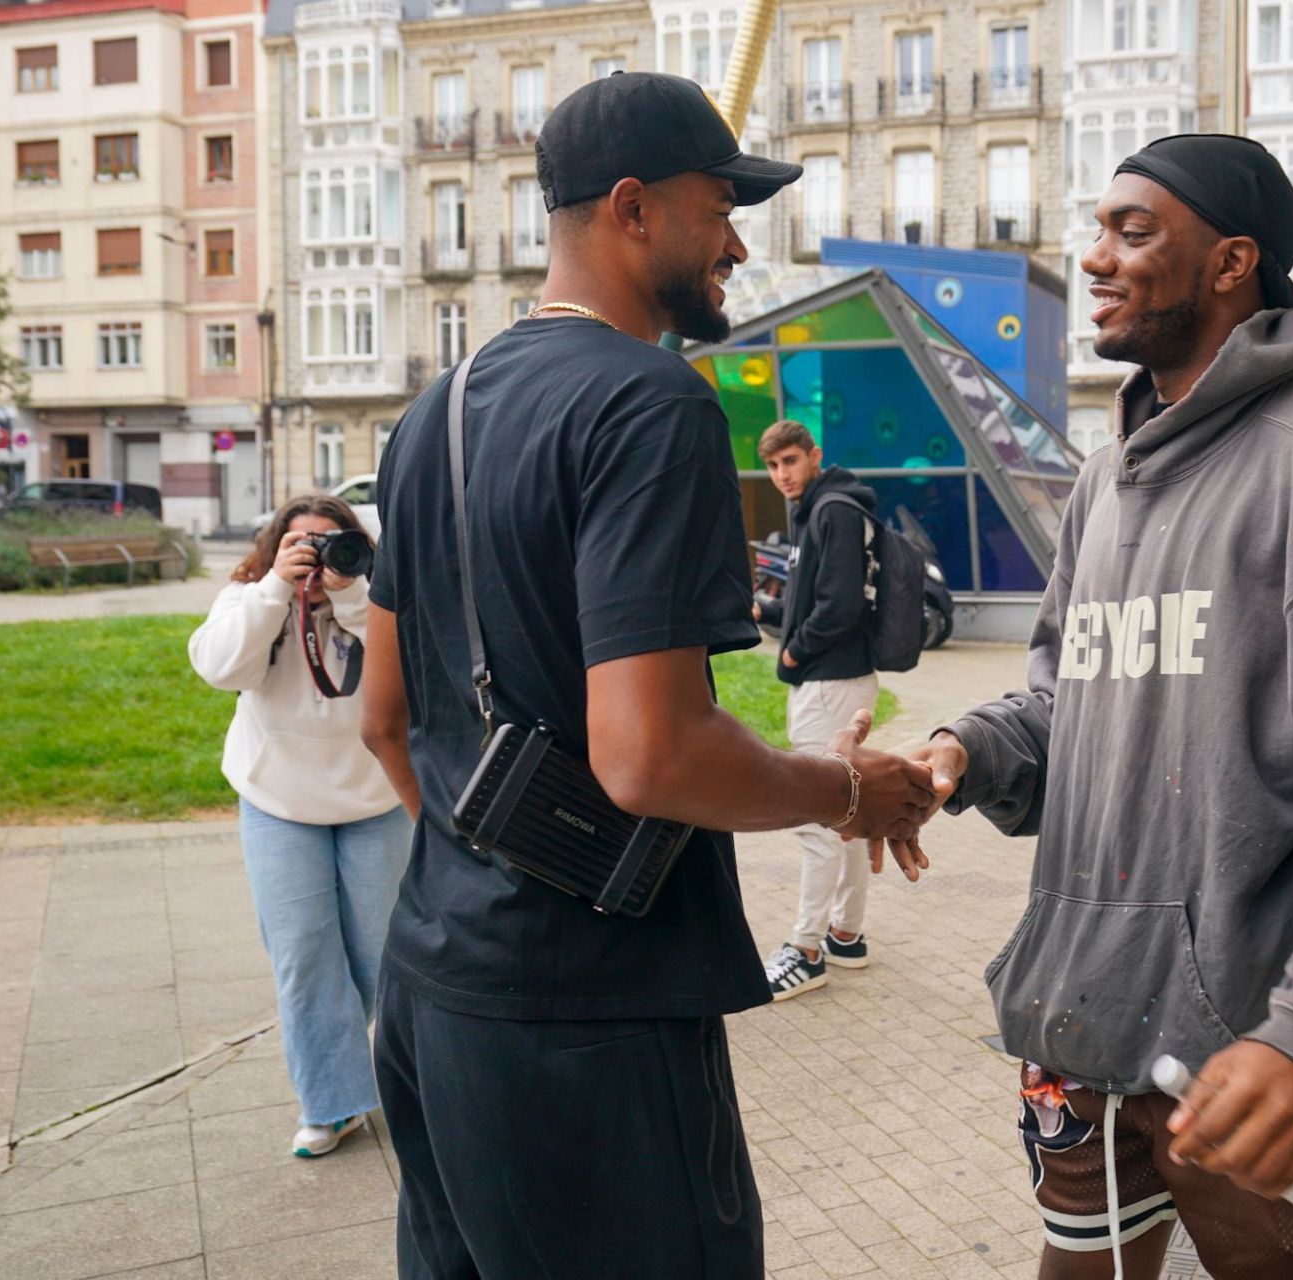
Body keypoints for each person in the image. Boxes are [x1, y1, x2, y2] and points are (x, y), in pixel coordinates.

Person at [355, 72, 936, 1280]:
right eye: (717, 207)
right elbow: (651, 753)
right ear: (630, 207)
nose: (736, 241)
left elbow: (385, 717)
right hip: (590, 1023)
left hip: (430, 989)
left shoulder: (432, 415)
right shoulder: (649, 401)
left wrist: (494, 868)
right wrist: (845, 790)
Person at [886, 134, 1293, 1278]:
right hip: (1082, 1023)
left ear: (1231, 262)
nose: (1096, 256)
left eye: (1133, 228)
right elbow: (1070, 703)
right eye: (1097, 226)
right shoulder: (1106, 480)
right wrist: (963, 750)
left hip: (1256, 1064)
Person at [186, 493, 412, 1159]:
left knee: (378, 955)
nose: (318, 556)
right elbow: (219, 667)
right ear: (276, 545)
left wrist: (349, 596)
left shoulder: (378, 603)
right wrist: (274, 590)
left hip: (374, 801)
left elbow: (413, 672)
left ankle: (350, 1071)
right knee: (304, 957)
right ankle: (332, 1102)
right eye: (301, 542)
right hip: (278, 802)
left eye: (332, 542)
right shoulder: (250, 595)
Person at [753, 419, 882, 1000]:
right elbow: (819, 600)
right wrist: (777, 618)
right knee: (848, 813)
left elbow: (838, 607)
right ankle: (846, 935)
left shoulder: (831, 510)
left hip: (829, 684)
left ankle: (805, 951)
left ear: (814, 456)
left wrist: (794, 650)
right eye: (774, 466)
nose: (782, 475)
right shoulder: (825, 509)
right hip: (842, 679)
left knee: (815, 821)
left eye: (790, 462)